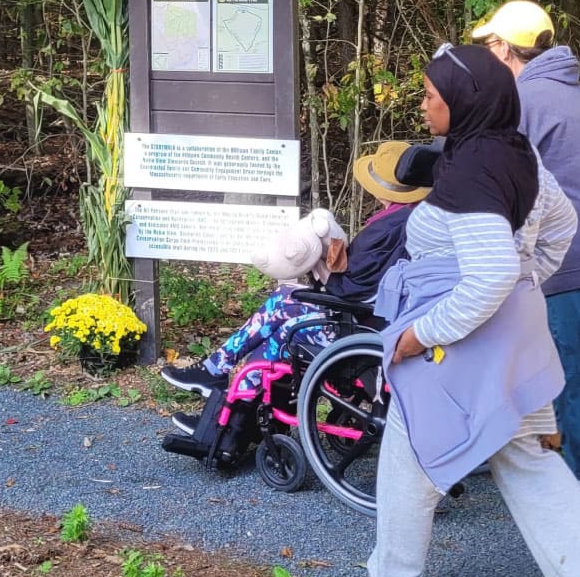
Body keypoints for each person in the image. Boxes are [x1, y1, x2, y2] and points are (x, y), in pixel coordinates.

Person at [337, 44, 580, 577]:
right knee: (525, 455)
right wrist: (531, 276)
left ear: (465, 103)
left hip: (458, 340)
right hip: (512, 333)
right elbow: (560, 222)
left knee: (411, 453)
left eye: (433, 96)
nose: (426, 105)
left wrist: (418, 334)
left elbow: (488, 274)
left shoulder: (473, 174)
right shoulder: (515, 150)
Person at [472, 0, 580, 554]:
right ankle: (540, 458)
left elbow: (487, 164)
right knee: (555, 371)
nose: (485, 56)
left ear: (504, 49)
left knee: (575, 388)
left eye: (487, 46)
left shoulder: (522, 98)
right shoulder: (578, 93)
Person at [160, 141, 432, 425]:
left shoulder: (389, 228)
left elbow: (351, 289)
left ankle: (227, 418)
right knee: (283, 298)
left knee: (286, 331)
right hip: (374, 318)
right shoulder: (410, 218)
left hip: (360, 328)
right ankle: (217, 377)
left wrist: (322, 266)